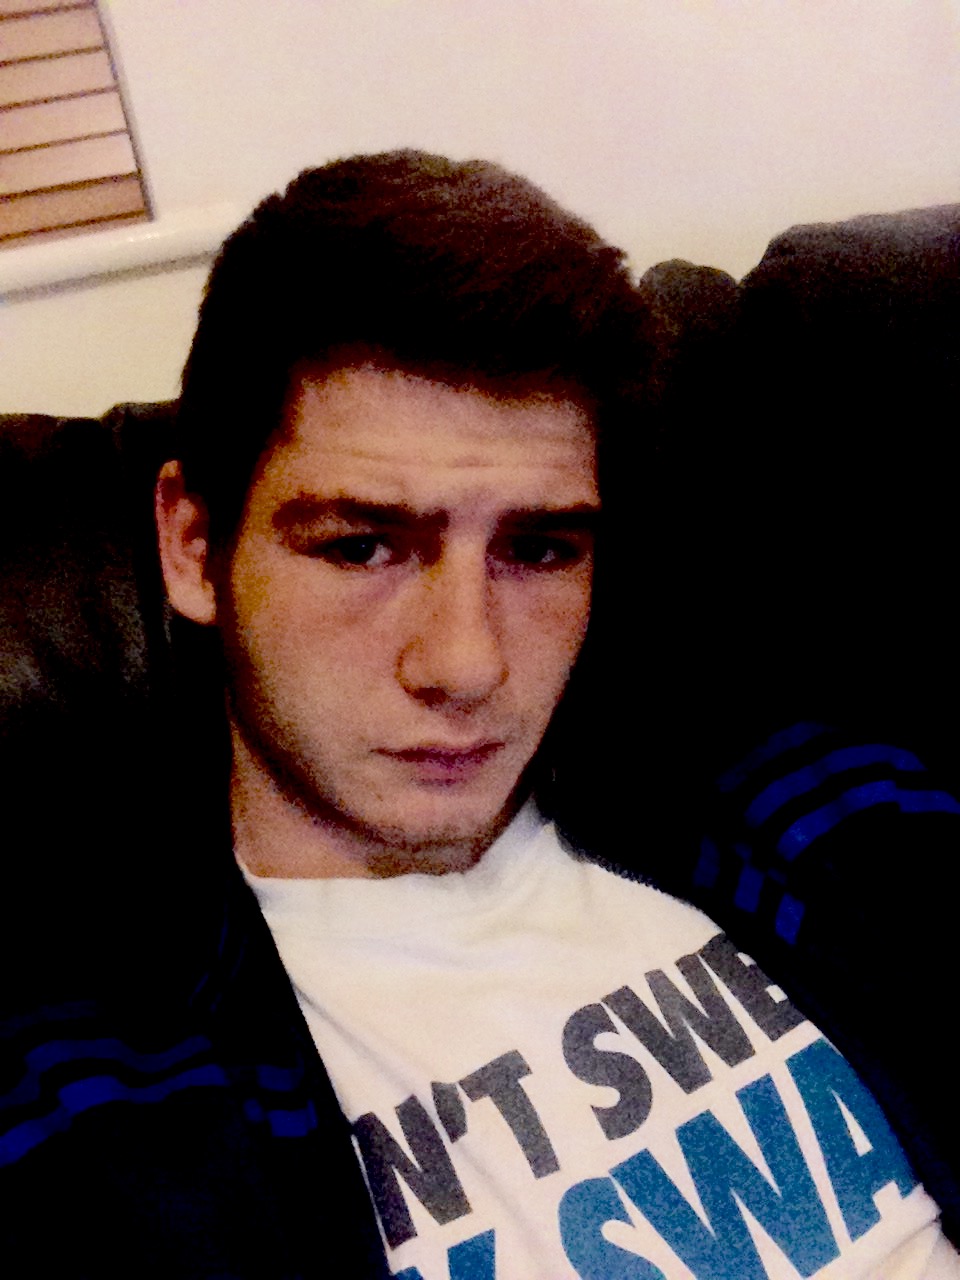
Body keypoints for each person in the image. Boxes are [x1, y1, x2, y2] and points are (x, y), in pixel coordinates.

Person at [3, 151, 960, 1279]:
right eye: (361, 546)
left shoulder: (818, 810)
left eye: (540, 549)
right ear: (192, 545)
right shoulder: (87, 1088)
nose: (467, 663)